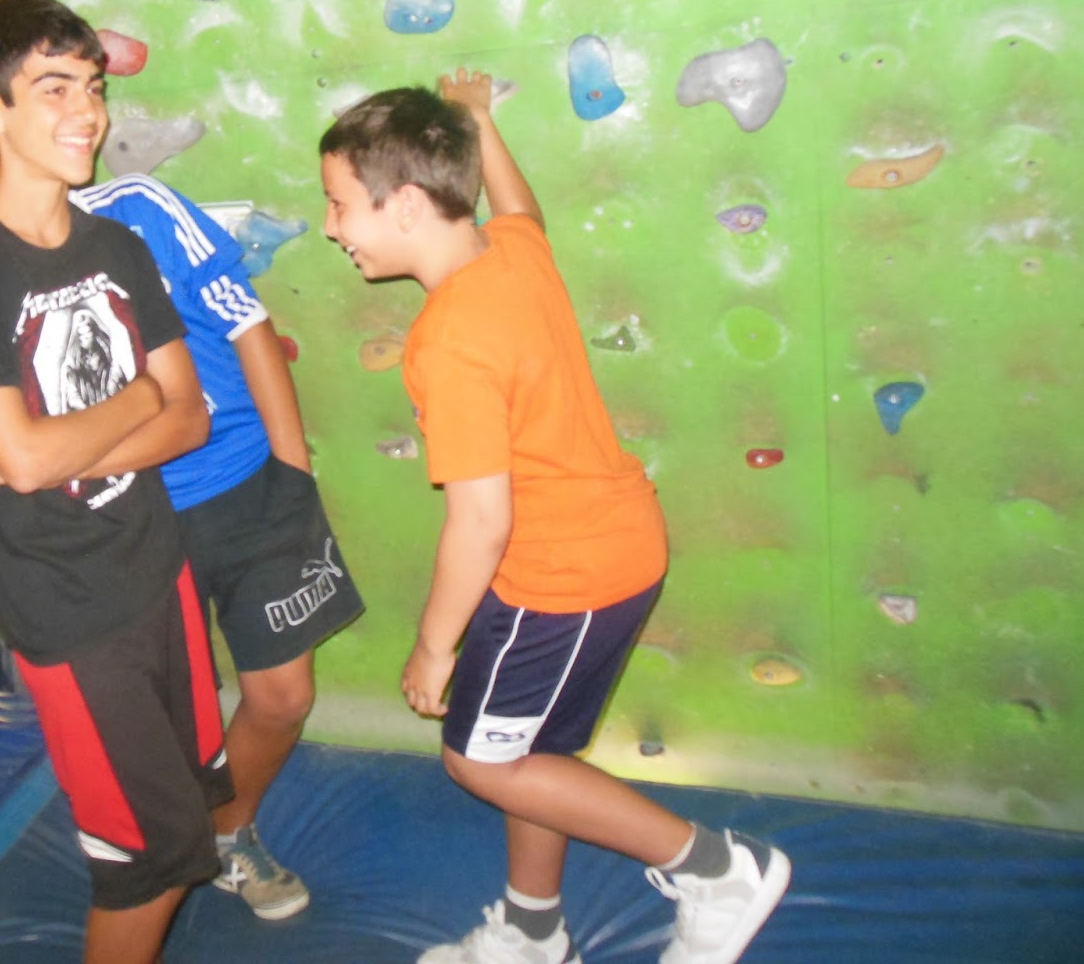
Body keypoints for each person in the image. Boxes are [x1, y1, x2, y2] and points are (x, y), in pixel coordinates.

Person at [318, 69, 790, 964]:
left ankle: (718, 869)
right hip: (607, 553)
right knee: (530, 756)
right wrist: (478, 122)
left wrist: (434, 647)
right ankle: (535, 933)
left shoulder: (448, 340)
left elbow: (480, 522)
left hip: (562, 578)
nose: (331, 226)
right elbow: (521, 209)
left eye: (340, 204)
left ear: (407, 205)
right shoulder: (510, 253)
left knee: (479, 760)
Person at [0, 83, 363, 920]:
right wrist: (47, 460)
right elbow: (15, 448)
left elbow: (244, 328)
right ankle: (180, 838)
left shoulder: (129, 217)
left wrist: (291, 473)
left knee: (283, 694)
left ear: (4, 136)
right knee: (160, 740)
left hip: (239, 482)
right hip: (128, 520)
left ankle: (228, 831)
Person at [0, 0, 230, 964]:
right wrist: (135, 399)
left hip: (159, 574)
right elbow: (26, 459)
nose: (88, 111)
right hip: (68, 609)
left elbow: (189, 416)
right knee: (145, 861)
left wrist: (66, 442)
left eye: (91, 87)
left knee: (187, 817)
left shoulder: (116, 247)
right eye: (55, 88)